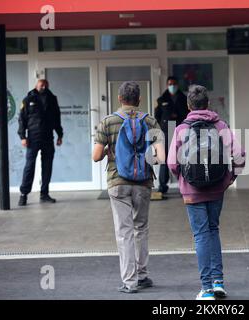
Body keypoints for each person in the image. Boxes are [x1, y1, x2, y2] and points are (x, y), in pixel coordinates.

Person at [168, 85, 245, 300]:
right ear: (208, 104)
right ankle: (218, 282)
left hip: (192, 191)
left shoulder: (182, 129)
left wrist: (185, 180)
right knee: (213, 230)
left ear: (188, 105)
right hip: (216, 188)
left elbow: (172, 163)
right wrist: (230, 178)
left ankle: (207, 289)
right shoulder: (220, 125)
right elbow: (240, 155)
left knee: (201, 235)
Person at [93, 81, 164, 294]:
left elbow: (96, 156)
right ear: (139, 100)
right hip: (143, 183)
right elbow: (161, 157)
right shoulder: (150, 121)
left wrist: (108, 151)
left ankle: (129, 282)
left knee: (124, 232)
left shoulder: (107, 122)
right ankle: (142, 276)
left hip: (117, 183)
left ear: (119, 99)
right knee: (140, 228)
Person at [17, 79, 63, 206]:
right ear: (36, 85)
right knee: (29, 166)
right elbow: (22, 119)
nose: (44, 86)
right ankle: (23, 194)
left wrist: (60, 135)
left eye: (46, 84)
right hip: (33, 138)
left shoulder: (52, 99)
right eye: (41, 84)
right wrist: (22, 136)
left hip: (48, 137)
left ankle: (44, 194)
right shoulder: (28, 99)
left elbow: (56, 118)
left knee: (47, 167)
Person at [155, 76, 189, 194]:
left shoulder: (184, 99)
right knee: (164, 159)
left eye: (174, 84)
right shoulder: (161, 99)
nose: (172, 86)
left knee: (181, 159)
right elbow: (157, 116)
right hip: (166, 131)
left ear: (177, 85)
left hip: (180, 130)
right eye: (170, 84)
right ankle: (162, 186)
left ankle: (183, 186)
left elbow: (188, 114)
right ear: (167, 85)